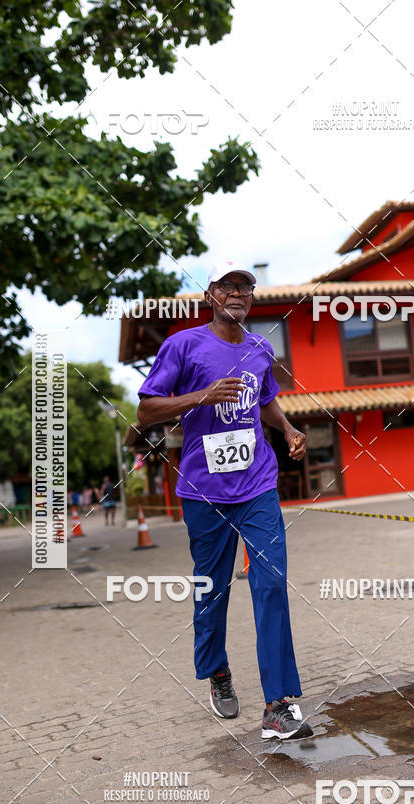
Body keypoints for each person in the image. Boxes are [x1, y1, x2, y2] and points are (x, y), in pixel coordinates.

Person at [137, 260, 313, 741]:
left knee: (272, 584)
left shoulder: (260, 348)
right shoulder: (183, 345)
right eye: (228, 286)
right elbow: (146, 409)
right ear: (211, 294)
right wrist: (201, 396)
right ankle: (217, 672)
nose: (238, 293)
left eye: (246, 287)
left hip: (257, 485)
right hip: (204, 492)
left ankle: (279, 705)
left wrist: (288, 427)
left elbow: (266, 400)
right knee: (212, 591)